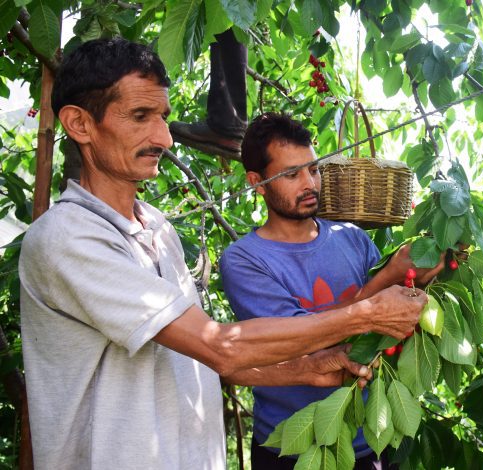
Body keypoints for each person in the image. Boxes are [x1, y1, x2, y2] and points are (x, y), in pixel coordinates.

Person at [18, 38, 428, 469]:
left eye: (163, 117)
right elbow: (219, 348)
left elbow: (195, 359)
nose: (164, 138)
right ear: (80, 124)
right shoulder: (68, 238)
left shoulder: (156, 228)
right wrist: (367, 314)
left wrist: (305, 368)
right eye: (140, 116)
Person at [220, 112, 443, 469]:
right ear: (257, 182)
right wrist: (386, 279)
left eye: (314, 169)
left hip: (370, 437)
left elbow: (392, 323)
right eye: (292, 174)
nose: (309, 183)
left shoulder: (351, 238)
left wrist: (422, 276)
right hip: (293, 448)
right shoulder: (245, 259)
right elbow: (304, 338)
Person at [169, 29, 247, 158]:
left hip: (226, 124)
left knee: (228, 19)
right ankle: (229, 123)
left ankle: (227, 123)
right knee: (222, 22)